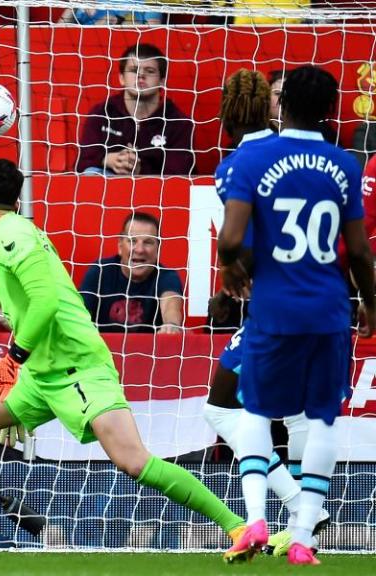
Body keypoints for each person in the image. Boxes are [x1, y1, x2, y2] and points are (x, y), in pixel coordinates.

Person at [0, 158, 246, 553]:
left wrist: (11, 360)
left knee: (134, 462)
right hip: (38, 373)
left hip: (77, 368)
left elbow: (47, 301)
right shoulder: (10, 233)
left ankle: (237, 526)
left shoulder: (12, 234)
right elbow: (36, 305)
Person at [218, 65, 374, 565]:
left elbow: (232, 238)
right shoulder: (346, 164)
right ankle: (304, 534)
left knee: (257, 412)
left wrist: (231, 270)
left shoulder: (255, 157)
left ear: (279, 107)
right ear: (331, 111)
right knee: (322, 418)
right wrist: (371, 303)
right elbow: (359, 252)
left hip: (273, 308)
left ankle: (256, 519)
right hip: (327, 309)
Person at [205, 69, 329, 558]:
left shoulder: (236, 167)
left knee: (226, 404)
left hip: (274, 304)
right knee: (287, 409)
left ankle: (295, 512)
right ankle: (304, 513)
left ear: (222, 116)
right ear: (270, 109)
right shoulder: (299, 155)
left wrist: (229, 280)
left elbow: (243, 242)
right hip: (317, 295)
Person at [76, 44, 193, 176]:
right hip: (105, 190)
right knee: (91, 173)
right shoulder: (102, 113)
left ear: (162, 80)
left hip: (154, 192)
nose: (141, 76)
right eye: (134, 70)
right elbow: (81, 165)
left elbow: (178, 177)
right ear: (121, 78)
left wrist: (140, 172)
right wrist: (107, 160)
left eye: (149, 71)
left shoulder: (179, 123)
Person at [79, 212, 183, 333]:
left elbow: (171, 306)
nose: (139, 249)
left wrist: (171, 325)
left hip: (148, 350)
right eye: (132, 241)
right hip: (102, 350)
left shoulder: (167, 276)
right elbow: (79, 314)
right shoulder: (100, 270)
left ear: (158, 249)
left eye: (148, 242)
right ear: (120, 245)